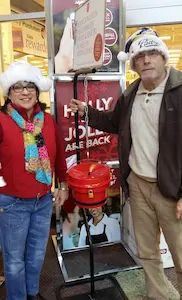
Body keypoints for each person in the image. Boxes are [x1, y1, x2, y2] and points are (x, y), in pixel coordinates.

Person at [70, 27, 182, 300]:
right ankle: (157, 296)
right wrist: (88, 113)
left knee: (181, 255)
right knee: (147, 253)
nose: (146, 60)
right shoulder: (130, 93)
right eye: (140, 56)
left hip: (173, 191)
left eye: (152, 53)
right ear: (132, 64)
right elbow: (113, 122)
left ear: (163, 57)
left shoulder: (179, 91)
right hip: (139, 185)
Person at [0, 61, 69, 300]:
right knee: (15, 259)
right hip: (12, 203)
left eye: (29, 86)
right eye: (18, 87)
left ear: (37, 90)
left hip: (43, 201)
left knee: (38, 253)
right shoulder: (2, 121)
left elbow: (59, 154)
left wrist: (62, 184)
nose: (25, 92)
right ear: (9, 93)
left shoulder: (47, 121)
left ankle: (32, 293)